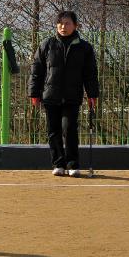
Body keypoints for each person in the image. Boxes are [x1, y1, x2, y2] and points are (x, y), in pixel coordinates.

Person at [28, 11, 100, 177]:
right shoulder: (47, 45)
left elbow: (90, 73)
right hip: (50, 95)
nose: (63, 27)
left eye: (67, 23)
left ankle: (73, 164)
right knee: (53, 131)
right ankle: (58, 164)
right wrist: (34, 93)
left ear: (75, 26)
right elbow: (36, 71)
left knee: (70, 129)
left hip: (72, 96)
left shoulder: (84, 47)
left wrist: (92, 94)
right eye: (60, 23)